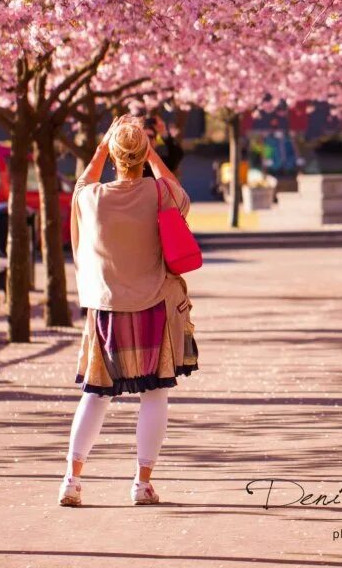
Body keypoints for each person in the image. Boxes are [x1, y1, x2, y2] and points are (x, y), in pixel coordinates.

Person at [60, 114, 200, 508]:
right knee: (155, 395)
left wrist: (104, 146)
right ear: (142, 155)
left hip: (106, 309)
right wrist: (151, 154)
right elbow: (181, 195)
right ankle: (142, 483)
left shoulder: (92, 199)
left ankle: (72, 479)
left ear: (114, 156)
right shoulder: (159, 194)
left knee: (95, 395)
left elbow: (81, 184)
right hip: (152, 306)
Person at [140, 114, 185, 178]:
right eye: (144, 137)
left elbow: (177, 156)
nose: (147, 140)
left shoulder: (162, 162)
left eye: (150, 137)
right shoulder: (133, 162)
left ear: (155, 141)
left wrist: (164, 134)